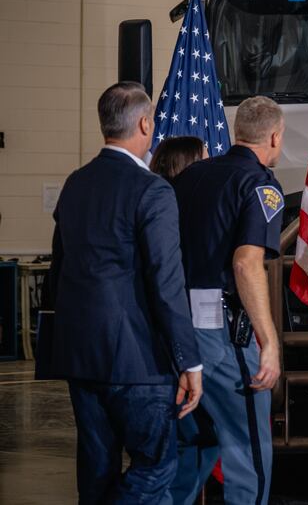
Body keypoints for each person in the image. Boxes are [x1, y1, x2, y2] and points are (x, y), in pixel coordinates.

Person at [46, 81, 203, 504]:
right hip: (138, 359)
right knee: (156, 466)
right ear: (146, 123)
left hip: (80, 354)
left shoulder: (75, 184)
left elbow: (59, 268)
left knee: (96, 471)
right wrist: (189, 360)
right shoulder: (153, 190)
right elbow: (167, 282)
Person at [169, 96, 284, 505]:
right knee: (246, 449)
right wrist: (268, 342)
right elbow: (246, 265)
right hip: (221, 333)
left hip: (174, 326)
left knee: (192, 447)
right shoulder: (261, 184)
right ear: (274, 136)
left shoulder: (191, 176)